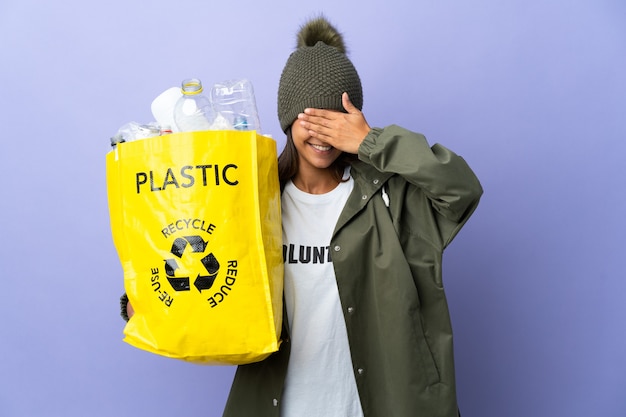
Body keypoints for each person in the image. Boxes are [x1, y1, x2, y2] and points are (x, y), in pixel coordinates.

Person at [220, 16, 483, 417]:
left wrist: (371, 142)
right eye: (312, 117)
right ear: (289, 119)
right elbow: (212, 272)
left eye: (337, 118)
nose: (325, 132)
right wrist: (149, 307)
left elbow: (461, 190)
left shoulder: (392, 198)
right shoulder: (256, 199)